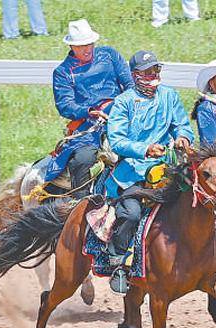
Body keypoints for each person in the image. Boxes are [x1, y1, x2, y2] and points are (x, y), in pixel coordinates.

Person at [105, 50, 194, 293]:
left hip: (167, 167)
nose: (153, 74)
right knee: (131, 214)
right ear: (135, 75)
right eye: (147, 71)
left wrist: (183, 138)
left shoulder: (170, 96)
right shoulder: (123, 102)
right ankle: (117, 262)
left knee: (198, 198)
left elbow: (182, 125)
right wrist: (144, 149)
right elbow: (117, 140)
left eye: (156, 69)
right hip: (132, 172)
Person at [45, 19, 134, 199]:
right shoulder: (63, 72)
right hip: (89, 126)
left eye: (89, 44)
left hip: (120, 114)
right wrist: (89, 111)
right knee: (83, 159)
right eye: (81, 46)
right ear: (71, 46)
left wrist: (124, 104)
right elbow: (65, 105)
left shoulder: (109, 55)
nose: (87, 49)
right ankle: (80, 204)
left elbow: (129, 83)